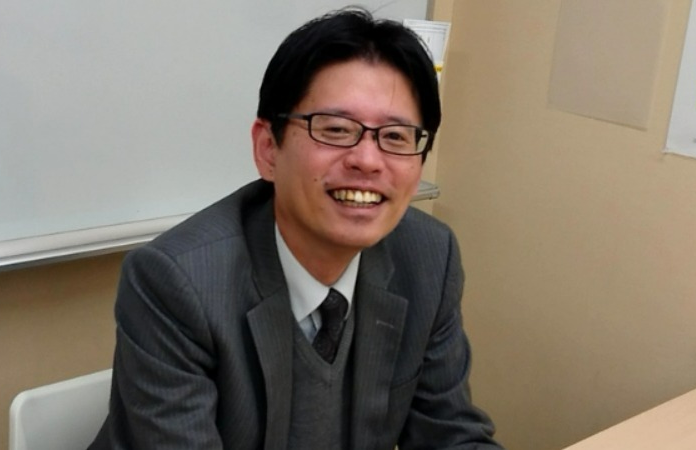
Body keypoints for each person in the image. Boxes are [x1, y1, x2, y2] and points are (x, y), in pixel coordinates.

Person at [89, 7, 503, 450]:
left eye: (396, 136)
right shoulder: (176, 281)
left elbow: (451, 435)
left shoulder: (429, 257)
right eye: (336, 129)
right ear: (269, 149)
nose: (368, 160)